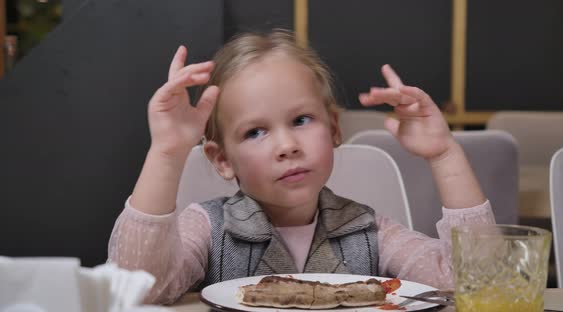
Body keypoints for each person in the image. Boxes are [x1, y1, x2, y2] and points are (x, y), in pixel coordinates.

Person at [107, 30, 496, 304]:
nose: (287, 146)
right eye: (256, 131)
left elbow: (476, 285)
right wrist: (166, 154)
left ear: (334, 129)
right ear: (222, 160)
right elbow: (136, 290)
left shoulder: (369, 230)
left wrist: (444, 154)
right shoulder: (208, 229)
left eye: (301, 120)